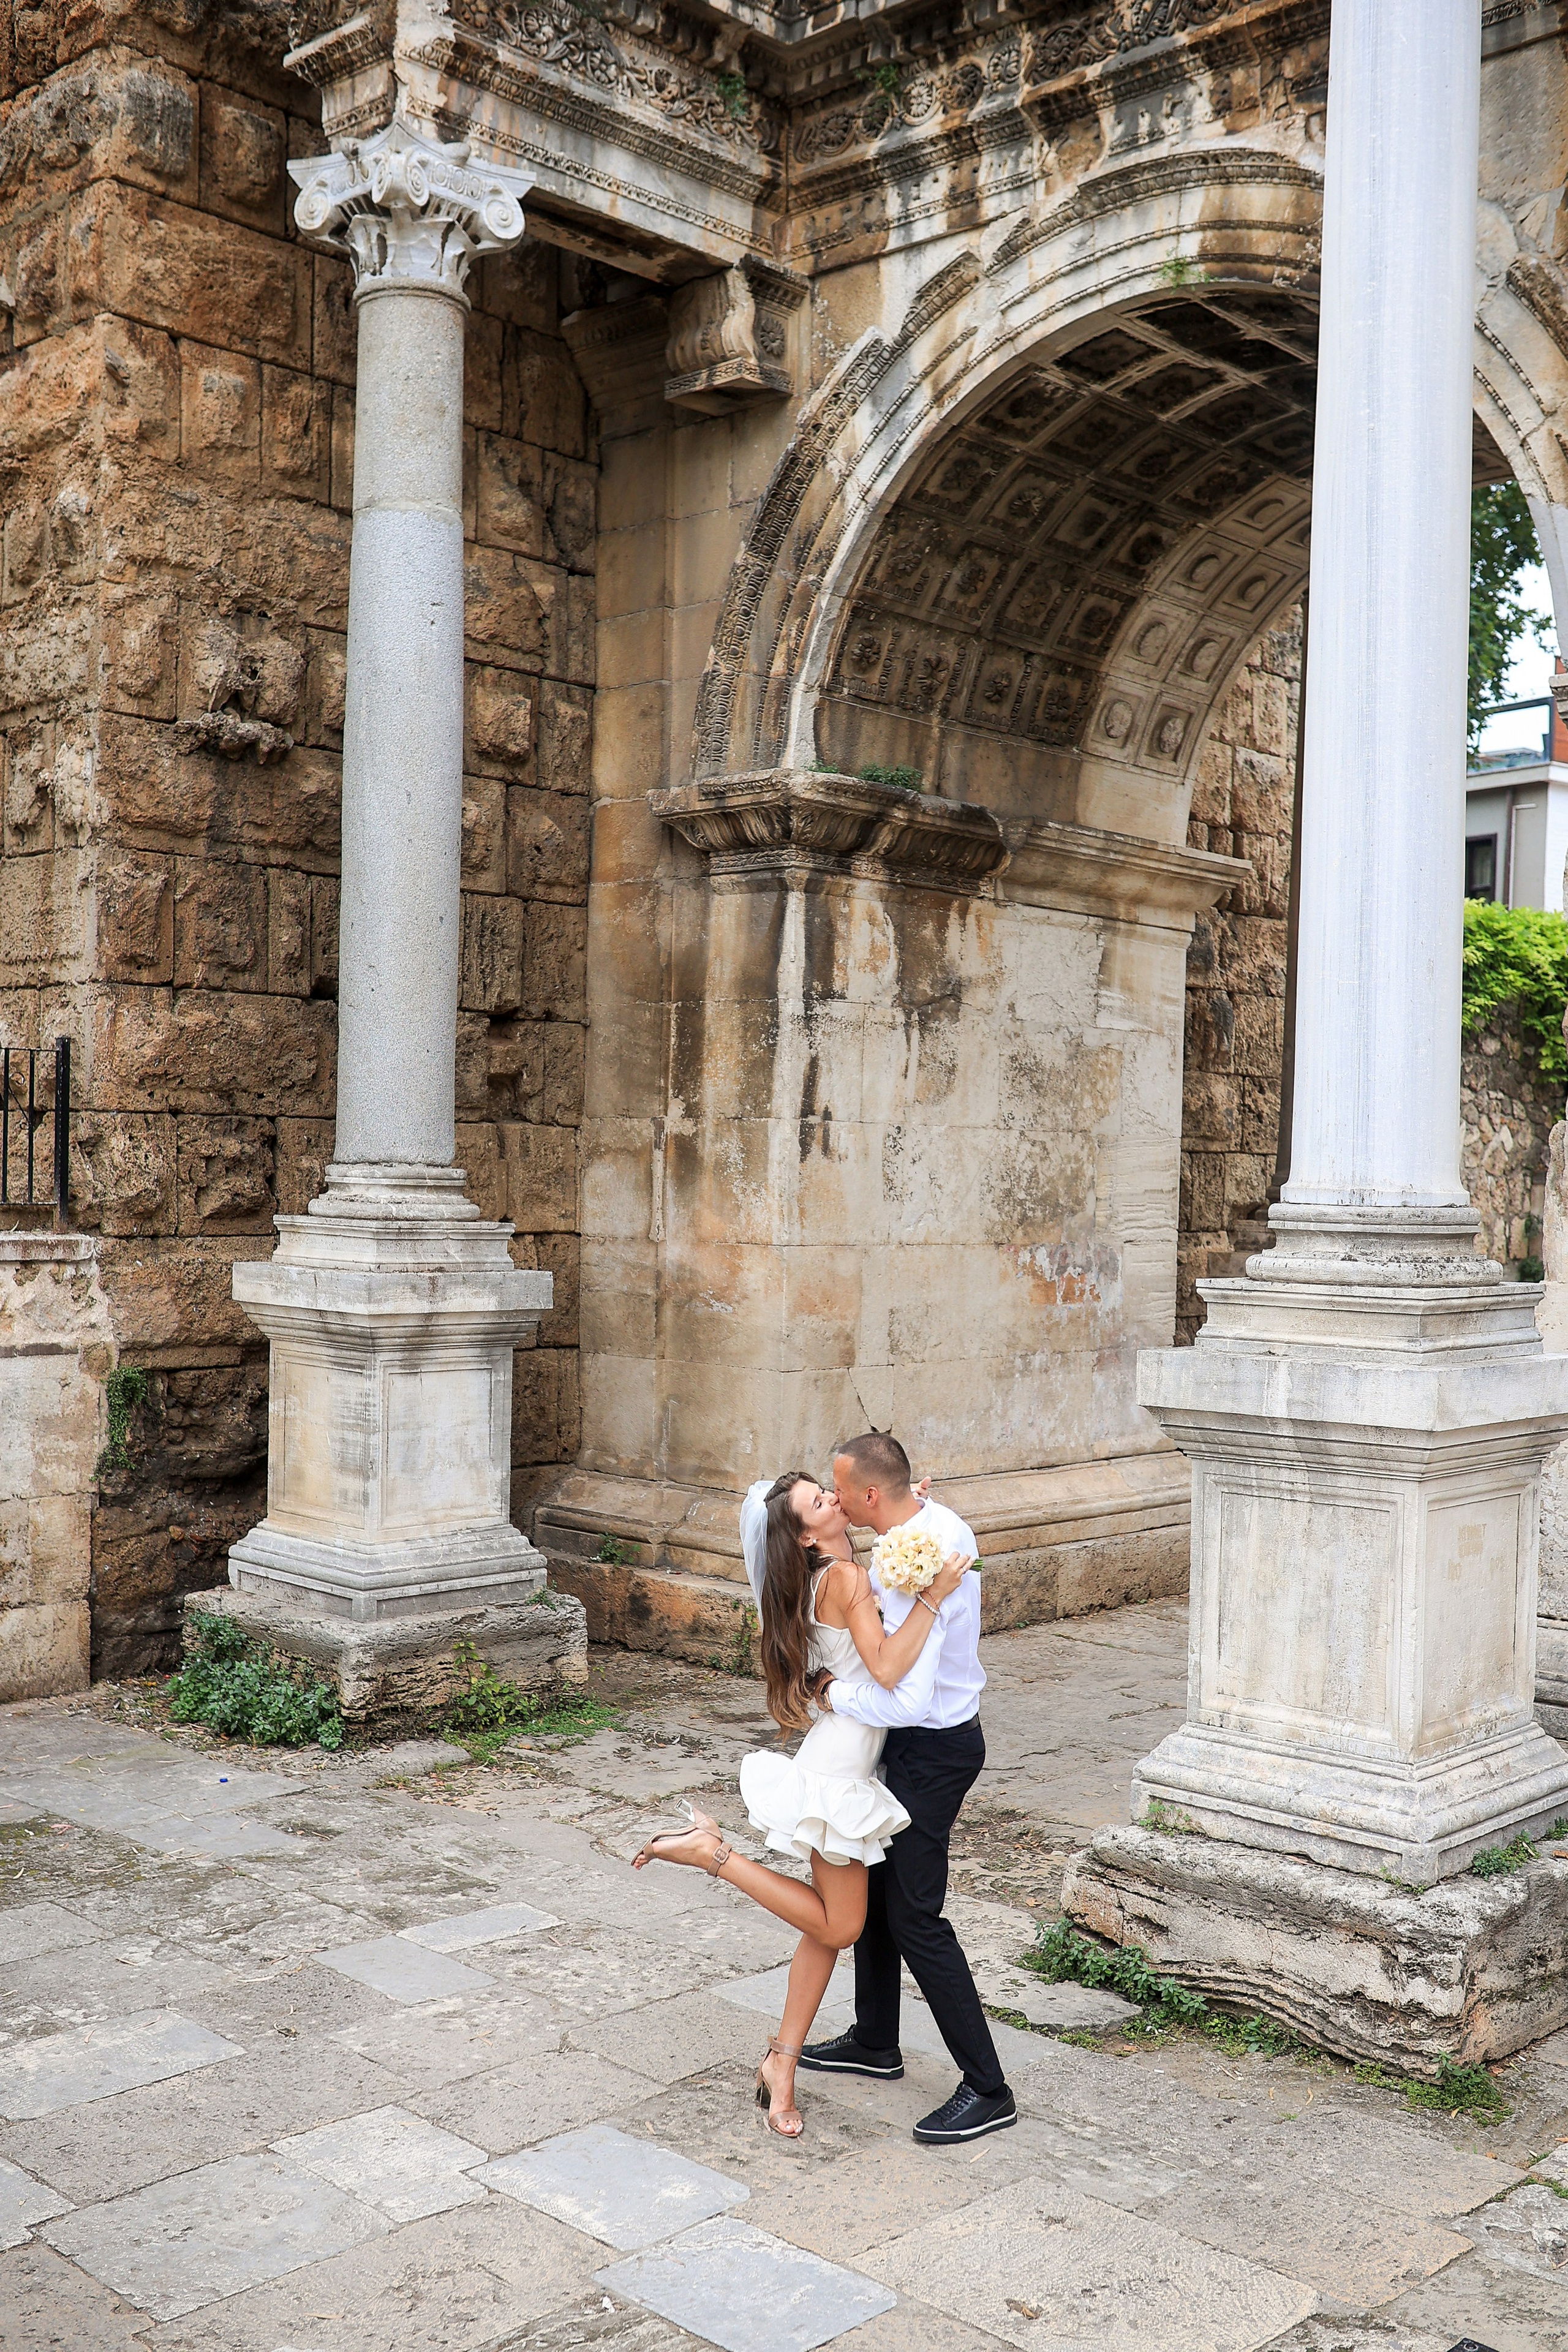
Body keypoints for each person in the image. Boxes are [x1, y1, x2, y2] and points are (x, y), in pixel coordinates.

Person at [631, 1469, 969, 2136]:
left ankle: (781, 2064)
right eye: (819, 1501)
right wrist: (933, 1598)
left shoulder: (820, 1578)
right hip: (840, 1772)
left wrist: (912, 1507)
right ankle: (714, 1855)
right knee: (840, 1928)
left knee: (824, 1929)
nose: (834, 1498)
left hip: (839, 1759)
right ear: (807, 1537)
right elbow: (887, 1669)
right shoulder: (843, 1579)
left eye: (827, 1490)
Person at [797, 1429, 1017, 2146]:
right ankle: (875, 2040)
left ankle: (988, 2089)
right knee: (876, 1888)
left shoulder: (907, 1566)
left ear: (869, 1494)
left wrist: (831, 1696)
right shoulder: (935, 1524)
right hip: (918, 1743)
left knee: (916, 1915)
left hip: (932, 1748)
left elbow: (906, 1697)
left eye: (840, 1489)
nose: (834, 1500)